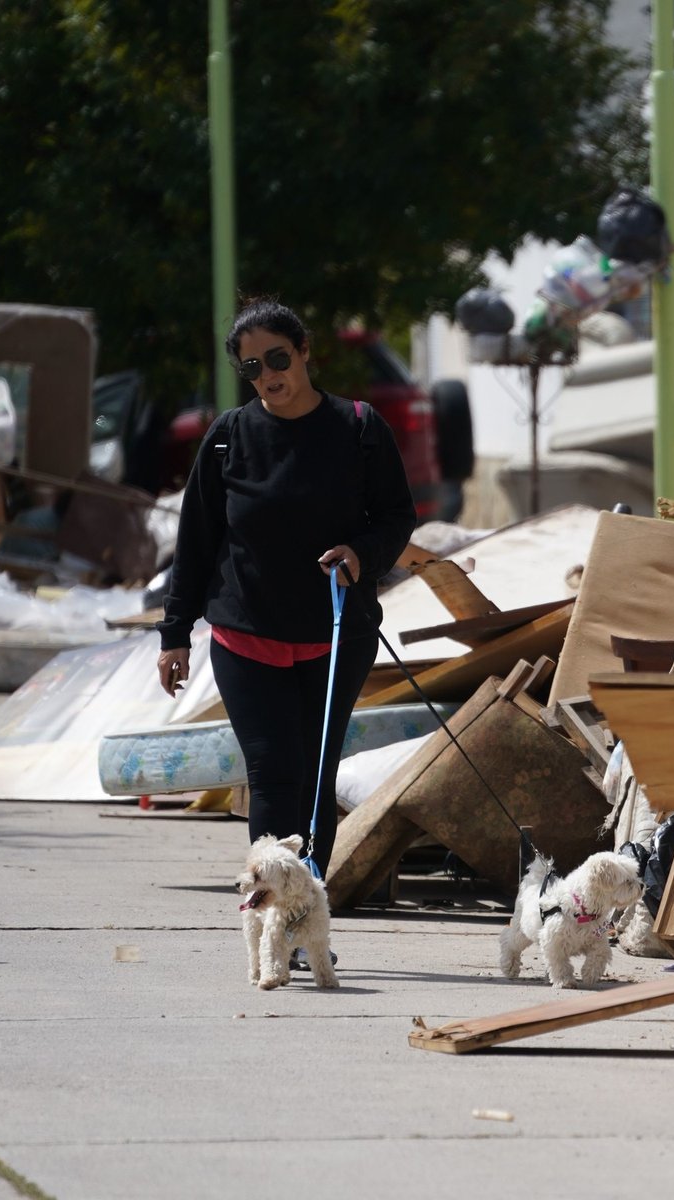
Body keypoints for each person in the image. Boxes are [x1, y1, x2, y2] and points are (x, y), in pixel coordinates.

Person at [155, 298, 417, 887]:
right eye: (251, 367)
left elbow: (397, 517)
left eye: (277, 358)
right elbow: (194, 542)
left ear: (304, 352)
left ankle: (307, 904)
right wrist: (174, 635)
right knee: (273, 773)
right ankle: (276, 911)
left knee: (315, 776)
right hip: (246, 637)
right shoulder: (227, 438)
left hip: (334, 636)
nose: (267, 375)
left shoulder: (358, 428)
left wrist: (360, 554)